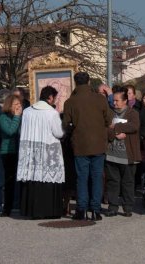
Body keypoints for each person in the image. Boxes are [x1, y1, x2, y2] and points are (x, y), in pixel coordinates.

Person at [62, 72, 113, 221]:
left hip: (80, 144)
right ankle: (96, 210)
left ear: (76, 83)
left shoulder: (70, 102)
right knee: (97, 177)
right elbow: (108, 119)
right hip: (98, 143)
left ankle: (81, 209)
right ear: (89, 82)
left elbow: (66, 124)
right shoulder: (100, 99)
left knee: (82, 178)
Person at [17, 86, 65, 219]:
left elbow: (22, 131)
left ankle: (31, 211)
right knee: (47, 179)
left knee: (33, 178)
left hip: (31, 151)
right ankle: (48, 211)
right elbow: (58, 133)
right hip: (48, 151)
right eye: (54, 98)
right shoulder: (52, 113)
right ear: (50, 98)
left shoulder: (27, 111)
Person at [104, 90, 141, 217]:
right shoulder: (109, 112)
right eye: (113, 100)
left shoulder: (132, 113)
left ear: (125, 101)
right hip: (111, 154)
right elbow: (105, 128)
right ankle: (113, 207)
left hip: (127, 155)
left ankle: (127, 207)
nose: (114, 103)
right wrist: (114, 134)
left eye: (117, 100)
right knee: (112, 181)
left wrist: (115, 127)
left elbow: (134, 126)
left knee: (128, 182)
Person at [0, 94, 23, 217]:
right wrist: (17, 117)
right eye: (15, 105)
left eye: (19, 104)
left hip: (21, 150)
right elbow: (10, 131)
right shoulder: (3, 117)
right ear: (9, 105)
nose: (18, 107)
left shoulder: (21, 117)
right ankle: (7, 208)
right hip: (8, 152)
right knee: (9, 180)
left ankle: (19, 204)